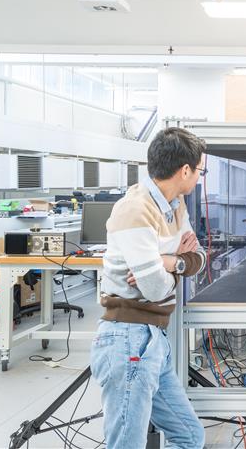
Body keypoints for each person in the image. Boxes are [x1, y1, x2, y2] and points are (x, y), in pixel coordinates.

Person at [90, 127, 208, 449]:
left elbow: (197, 257)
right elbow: (156, 290)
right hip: (127, 337)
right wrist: (171, 266)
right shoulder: (135, 209)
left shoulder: (175, 206)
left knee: (190, 435)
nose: (199, 176)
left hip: (155, 339)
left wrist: (166, 262)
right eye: (200, 170)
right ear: (185, 170)